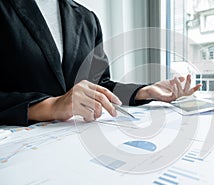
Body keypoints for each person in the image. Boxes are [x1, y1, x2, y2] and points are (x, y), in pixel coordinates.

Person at [0, 0, 201, 126]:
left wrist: (147, 91)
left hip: (73, 142)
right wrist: (52, 105)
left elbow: (100, 85)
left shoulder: (87, 19)